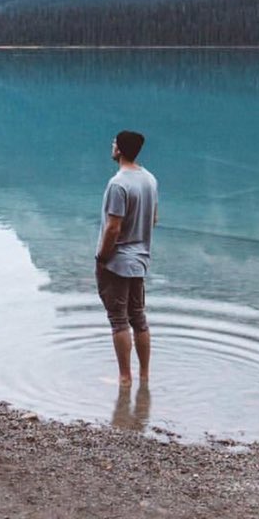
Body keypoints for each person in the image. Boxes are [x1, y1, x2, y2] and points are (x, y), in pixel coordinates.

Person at [95, 130, 158, 386]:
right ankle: (144, 376)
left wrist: (102, 256)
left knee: (119, 321)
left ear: (119, 149)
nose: (111, 146)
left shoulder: (118, 184)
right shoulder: (150, 180)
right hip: (140, 260)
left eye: (113, 143)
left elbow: (113, 227)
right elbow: (154, 219)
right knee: (139, 318)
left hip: (117, 262)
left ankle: (124, 379)